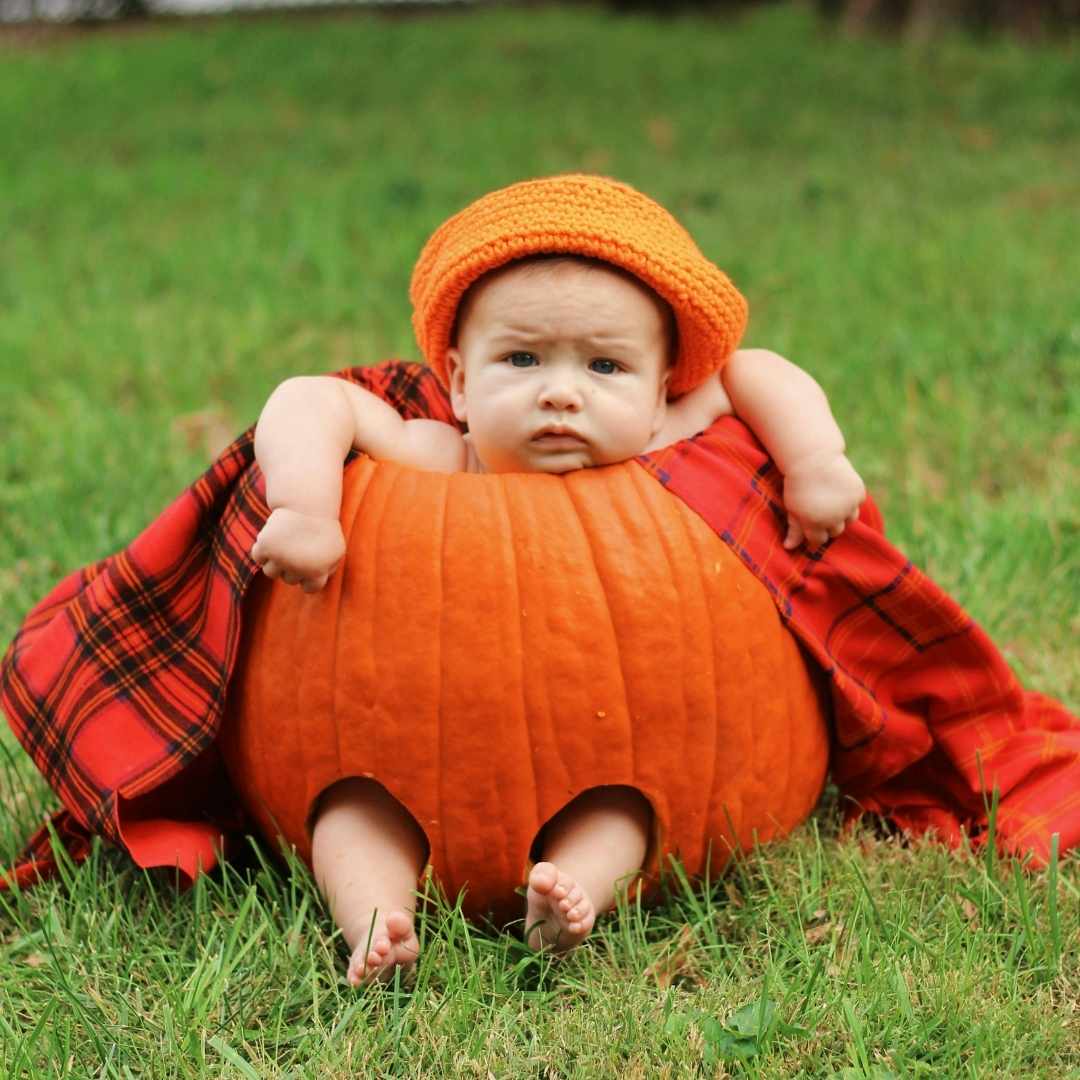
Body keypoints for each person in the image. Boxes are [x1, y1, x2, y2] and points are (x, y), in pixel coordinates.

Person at [248, 176, 865, 985]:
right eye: (522, 357)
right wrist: (305, 508)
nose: (561, 389)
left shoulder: (658, 449)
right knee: (350, 810)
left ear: (658, 394)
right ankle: (373, 919)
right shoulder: (431, 453)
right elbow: (310, 399)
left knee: (624, 811)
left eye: (605, 365)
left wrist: (817, 461)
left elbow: (755, 372)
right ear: (461, 385)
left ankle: (574, 894)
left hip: (606, 752)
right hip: (392, 749)